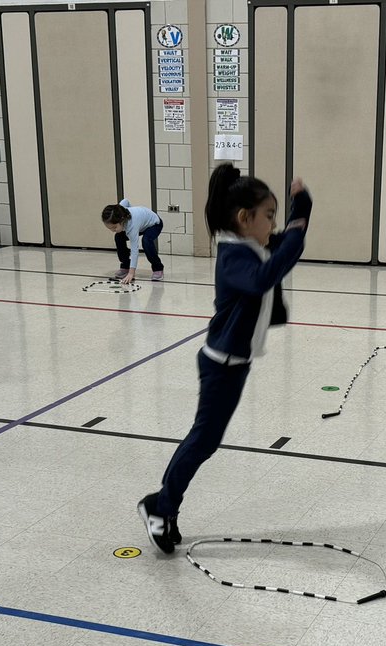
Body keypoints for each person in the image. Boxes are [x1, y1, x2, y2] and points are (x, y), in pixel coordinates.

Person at [137, 164, 312, 553]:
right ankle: (160, 506)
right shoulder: (236, 257)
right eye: (269, 216)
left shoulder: (250, 245)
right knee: (203, 440)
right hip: (221, 364)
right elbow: (264, 276)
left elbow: (285, 243)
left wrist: (302, 207)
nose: (273, 223)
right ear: (244, 218)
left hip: (235, 362)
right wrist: (295, 232)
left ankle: (163, 504)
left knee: (205, 439)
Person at [101, 200, 164, 284]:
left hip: (154, 224)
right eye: (110, 228)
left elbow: (135, 250)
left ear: (122, 220)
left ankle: (158, 268)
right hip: (141, 224)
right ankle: (125, 266)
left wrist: (131, 273)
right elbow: (126, 200)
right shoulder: (119, 210)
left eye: (114, 227)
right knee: (118, 237)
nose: (113, 230)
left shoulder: (132, 226)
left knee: (146, 241)